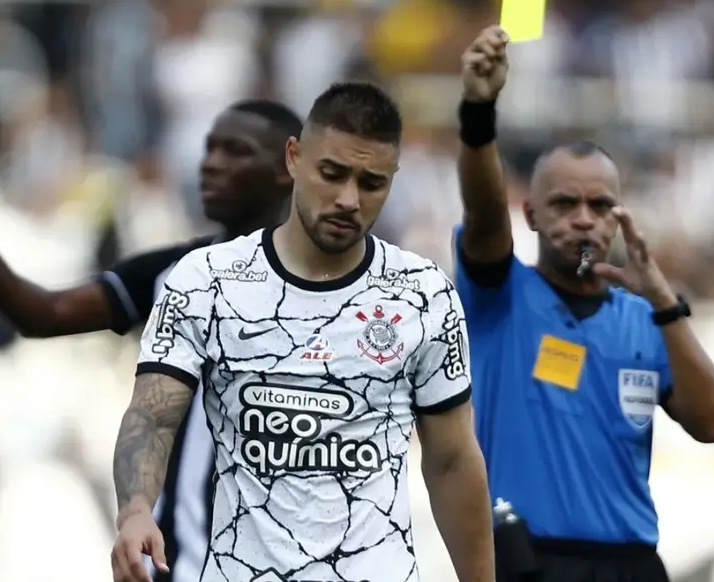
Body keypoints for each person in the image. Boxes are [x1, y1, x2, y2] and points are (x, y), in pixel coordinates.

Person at [109, 81, 495, 582]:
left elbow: (451, 460)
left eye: (372, 182)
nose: (348, 200)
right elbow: (153, 416)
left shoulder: (422, 294)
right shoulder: (206, 279)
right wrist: (136, 509)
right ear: (294, 158)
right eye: (331, 174)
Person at [0, 99, 304, 582]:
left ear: (287, 167)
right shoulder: (175, 272)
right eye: (211, 149)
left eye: (237, 151)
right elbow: (47, 314)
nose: (212, 163)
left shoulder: (342, 291)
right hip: (184, 566)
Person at [453, 26, 714, 582]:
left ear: (619, 216)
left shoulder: (645, 317)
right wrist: (479, 114)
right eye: (565, 203)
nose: (584, 218)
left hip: (630, 563)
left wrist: (664, 302)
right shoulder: (500, 294)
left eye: (600, 205)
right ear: (531, 215)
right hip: (528, 561)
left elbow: (713, 424)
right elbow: (483, 214)